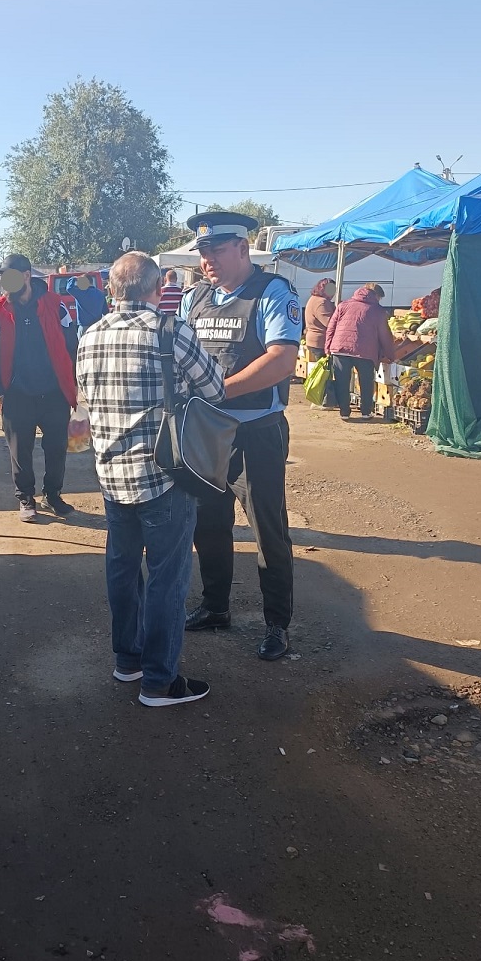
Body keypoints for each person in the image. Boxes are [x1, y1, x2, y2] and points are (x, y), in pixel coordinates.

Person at [77, 251, 225, 707]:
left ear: (111, 290)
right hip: (164, 475)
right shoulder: (170, 330)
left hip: (110, 474)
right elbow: (215, 389)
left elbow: (88, 399)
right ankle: (160, 681)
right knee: (167, 577)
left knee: (122, 570)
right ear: (158, 290)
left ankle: (128, 661)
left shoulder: (89, 335)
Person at [180, 211, 301, 662]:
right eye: (203, 251)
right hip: (207, 433)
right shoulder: (194, 298)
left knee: (268, 530)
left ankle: (277, 624)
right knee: (209, 524)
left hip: (255, 433)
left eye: (216, 249)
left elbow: (281, 361)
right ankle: (216, 607)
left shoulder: (272, 292)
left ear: (243, 247)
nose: (207, 259)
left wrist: (218, 390)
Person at [0, 253, 78, 521]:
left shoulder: (55, 304)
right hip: (16, 393)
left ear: (26, 276)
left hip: (54, 392)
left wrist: (73, 382)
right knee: (19, 449)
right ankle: (25, 497)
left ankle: (52, 495)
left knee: (56, 448)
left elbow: (72, 344)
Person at [324, 282, 397, 421]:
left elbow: (331, 327)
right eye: (379, 298)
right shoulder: (378, 310)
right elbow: (385, 335)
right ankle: (366, 412)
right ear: (376, 295)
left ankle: (344, 412)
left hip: (340, 348)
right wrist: (390, 355)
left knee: (342, 381)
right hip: (365, 351)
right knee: (366, 382)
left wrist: (328, 347)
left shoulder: (343, 305)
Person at [303, 278, 336, 361]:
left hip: (313, 341)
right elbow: (330, 323)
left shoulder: (313, 298)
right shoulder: (322, 302)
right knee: (324, 368)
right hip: (319, 343)